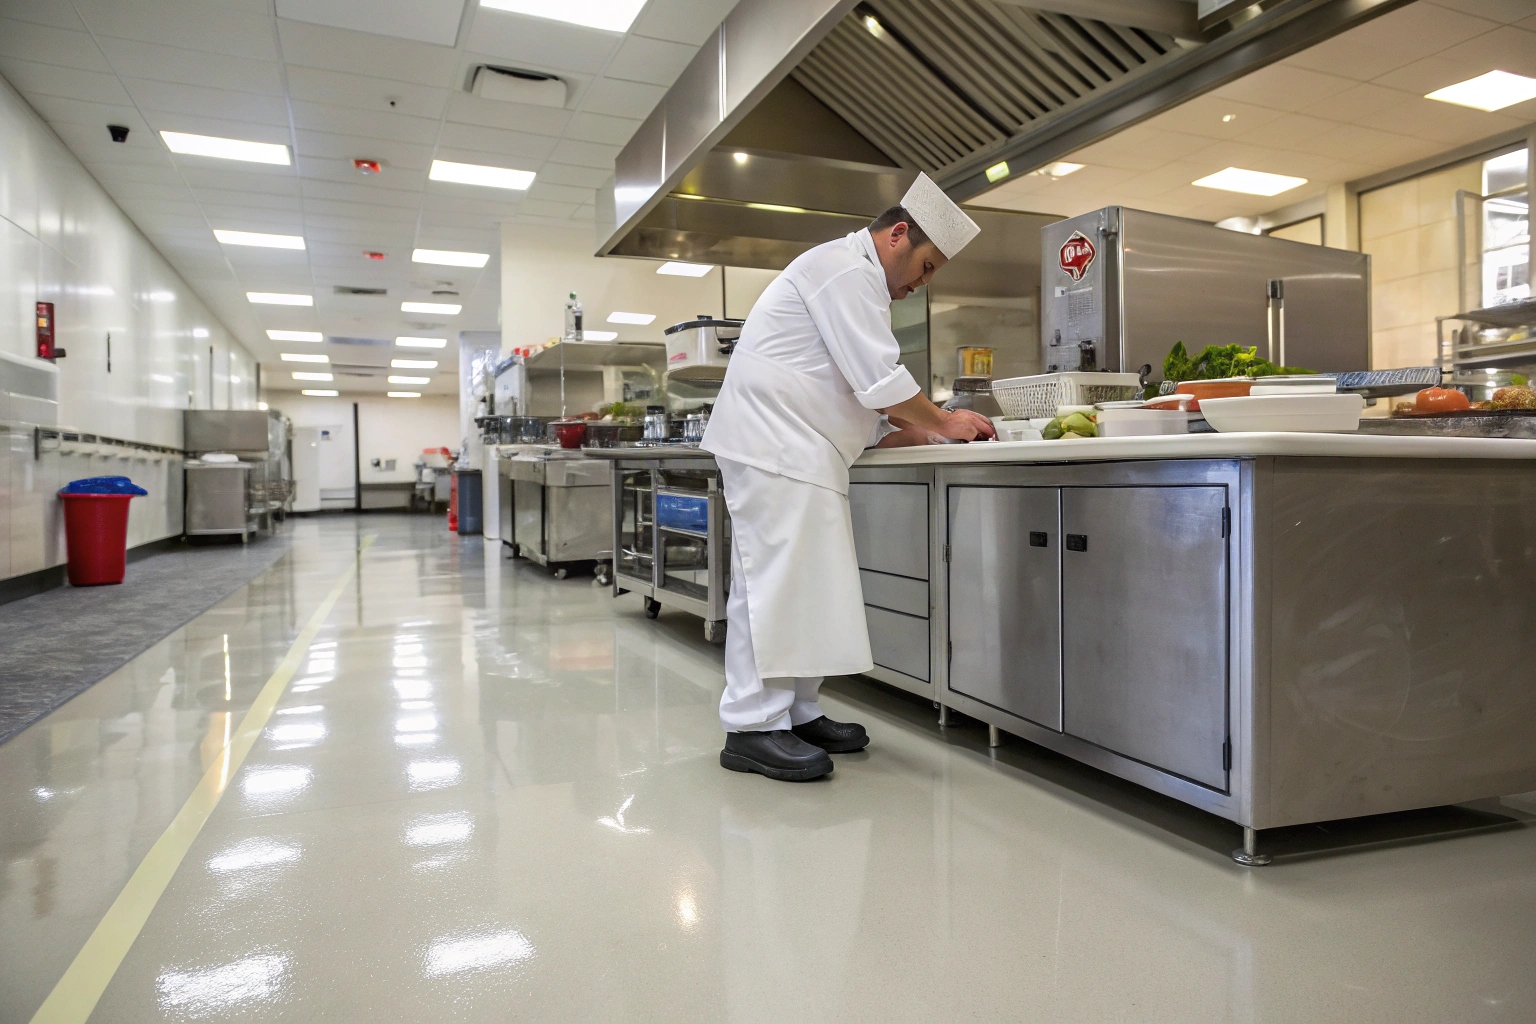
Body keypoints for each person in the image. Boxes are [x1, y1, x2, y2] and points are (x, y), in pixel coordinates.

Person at [700, 173, 995, 782]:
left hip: (802, 452)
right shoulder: (845, 270)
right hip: (771, 445)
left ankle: (797, 711)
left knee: (804, 587)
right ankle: (752, 726)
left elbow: (855, 395)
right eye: (927, 265)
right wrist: (944, 421)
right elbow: (881, 381)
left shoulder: (854, 280)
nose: (922, 283)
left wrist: (916, 428)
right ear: (896, 235)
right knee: (771, 584)